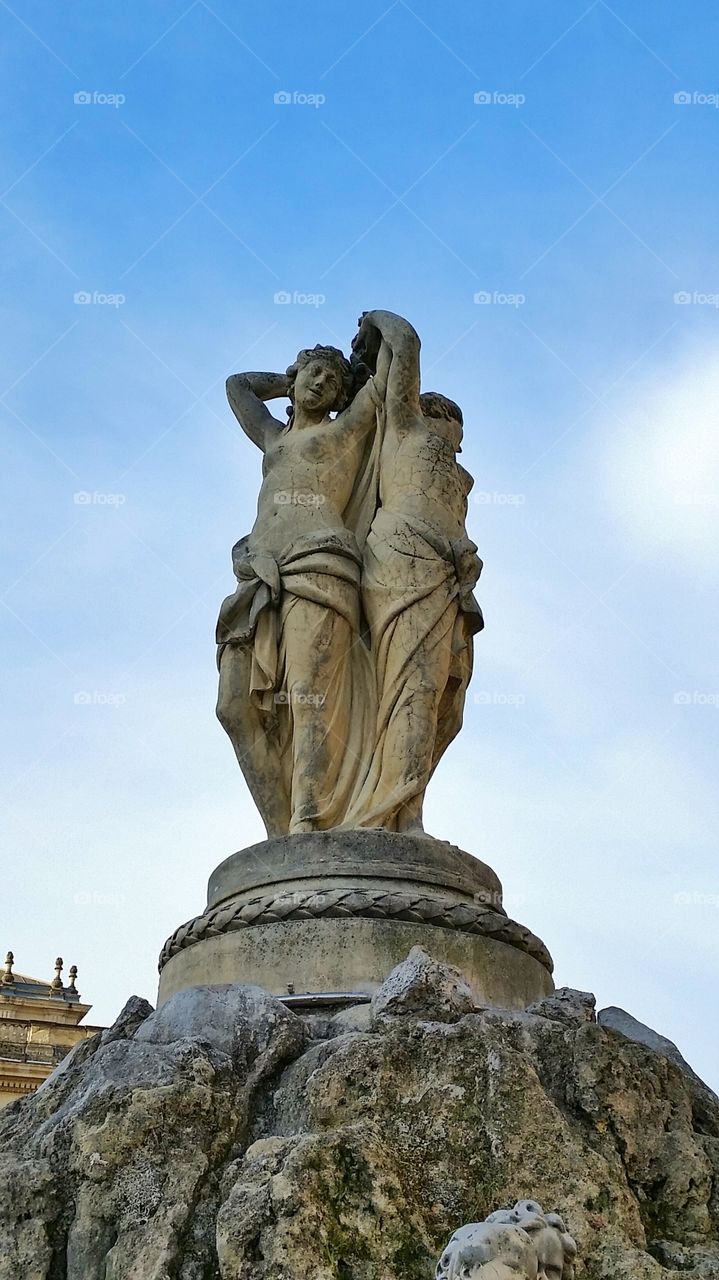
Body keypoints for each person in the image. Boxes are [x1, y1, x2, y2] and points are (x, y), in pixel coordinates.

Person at [216, 344, 386, 835]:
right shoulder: (272, 437)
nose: (320, 386)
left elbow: (387, 376)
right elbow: (238, 386)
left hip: (318, 559)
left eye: (332, 384)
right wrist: (289, 378)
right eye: (314, 375)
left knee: (309, 695)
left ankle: (307, 823)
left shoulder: (345, 430)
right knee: (234, 706)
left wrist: (372, 336)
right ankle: (280, 833)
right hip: (257, 573)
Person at [345, 310, 483, 832]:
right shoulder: (404, 427)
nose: (460, 447)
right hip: (404, 561)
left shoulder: (456, 471)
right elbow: (406, 343)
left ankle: (407, 802)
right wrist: (375, 323)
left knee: (447, 698)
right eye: (455, 432)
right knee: (412, 684)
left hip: (449, 580)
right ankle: (395, 813)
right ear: (436, 417)